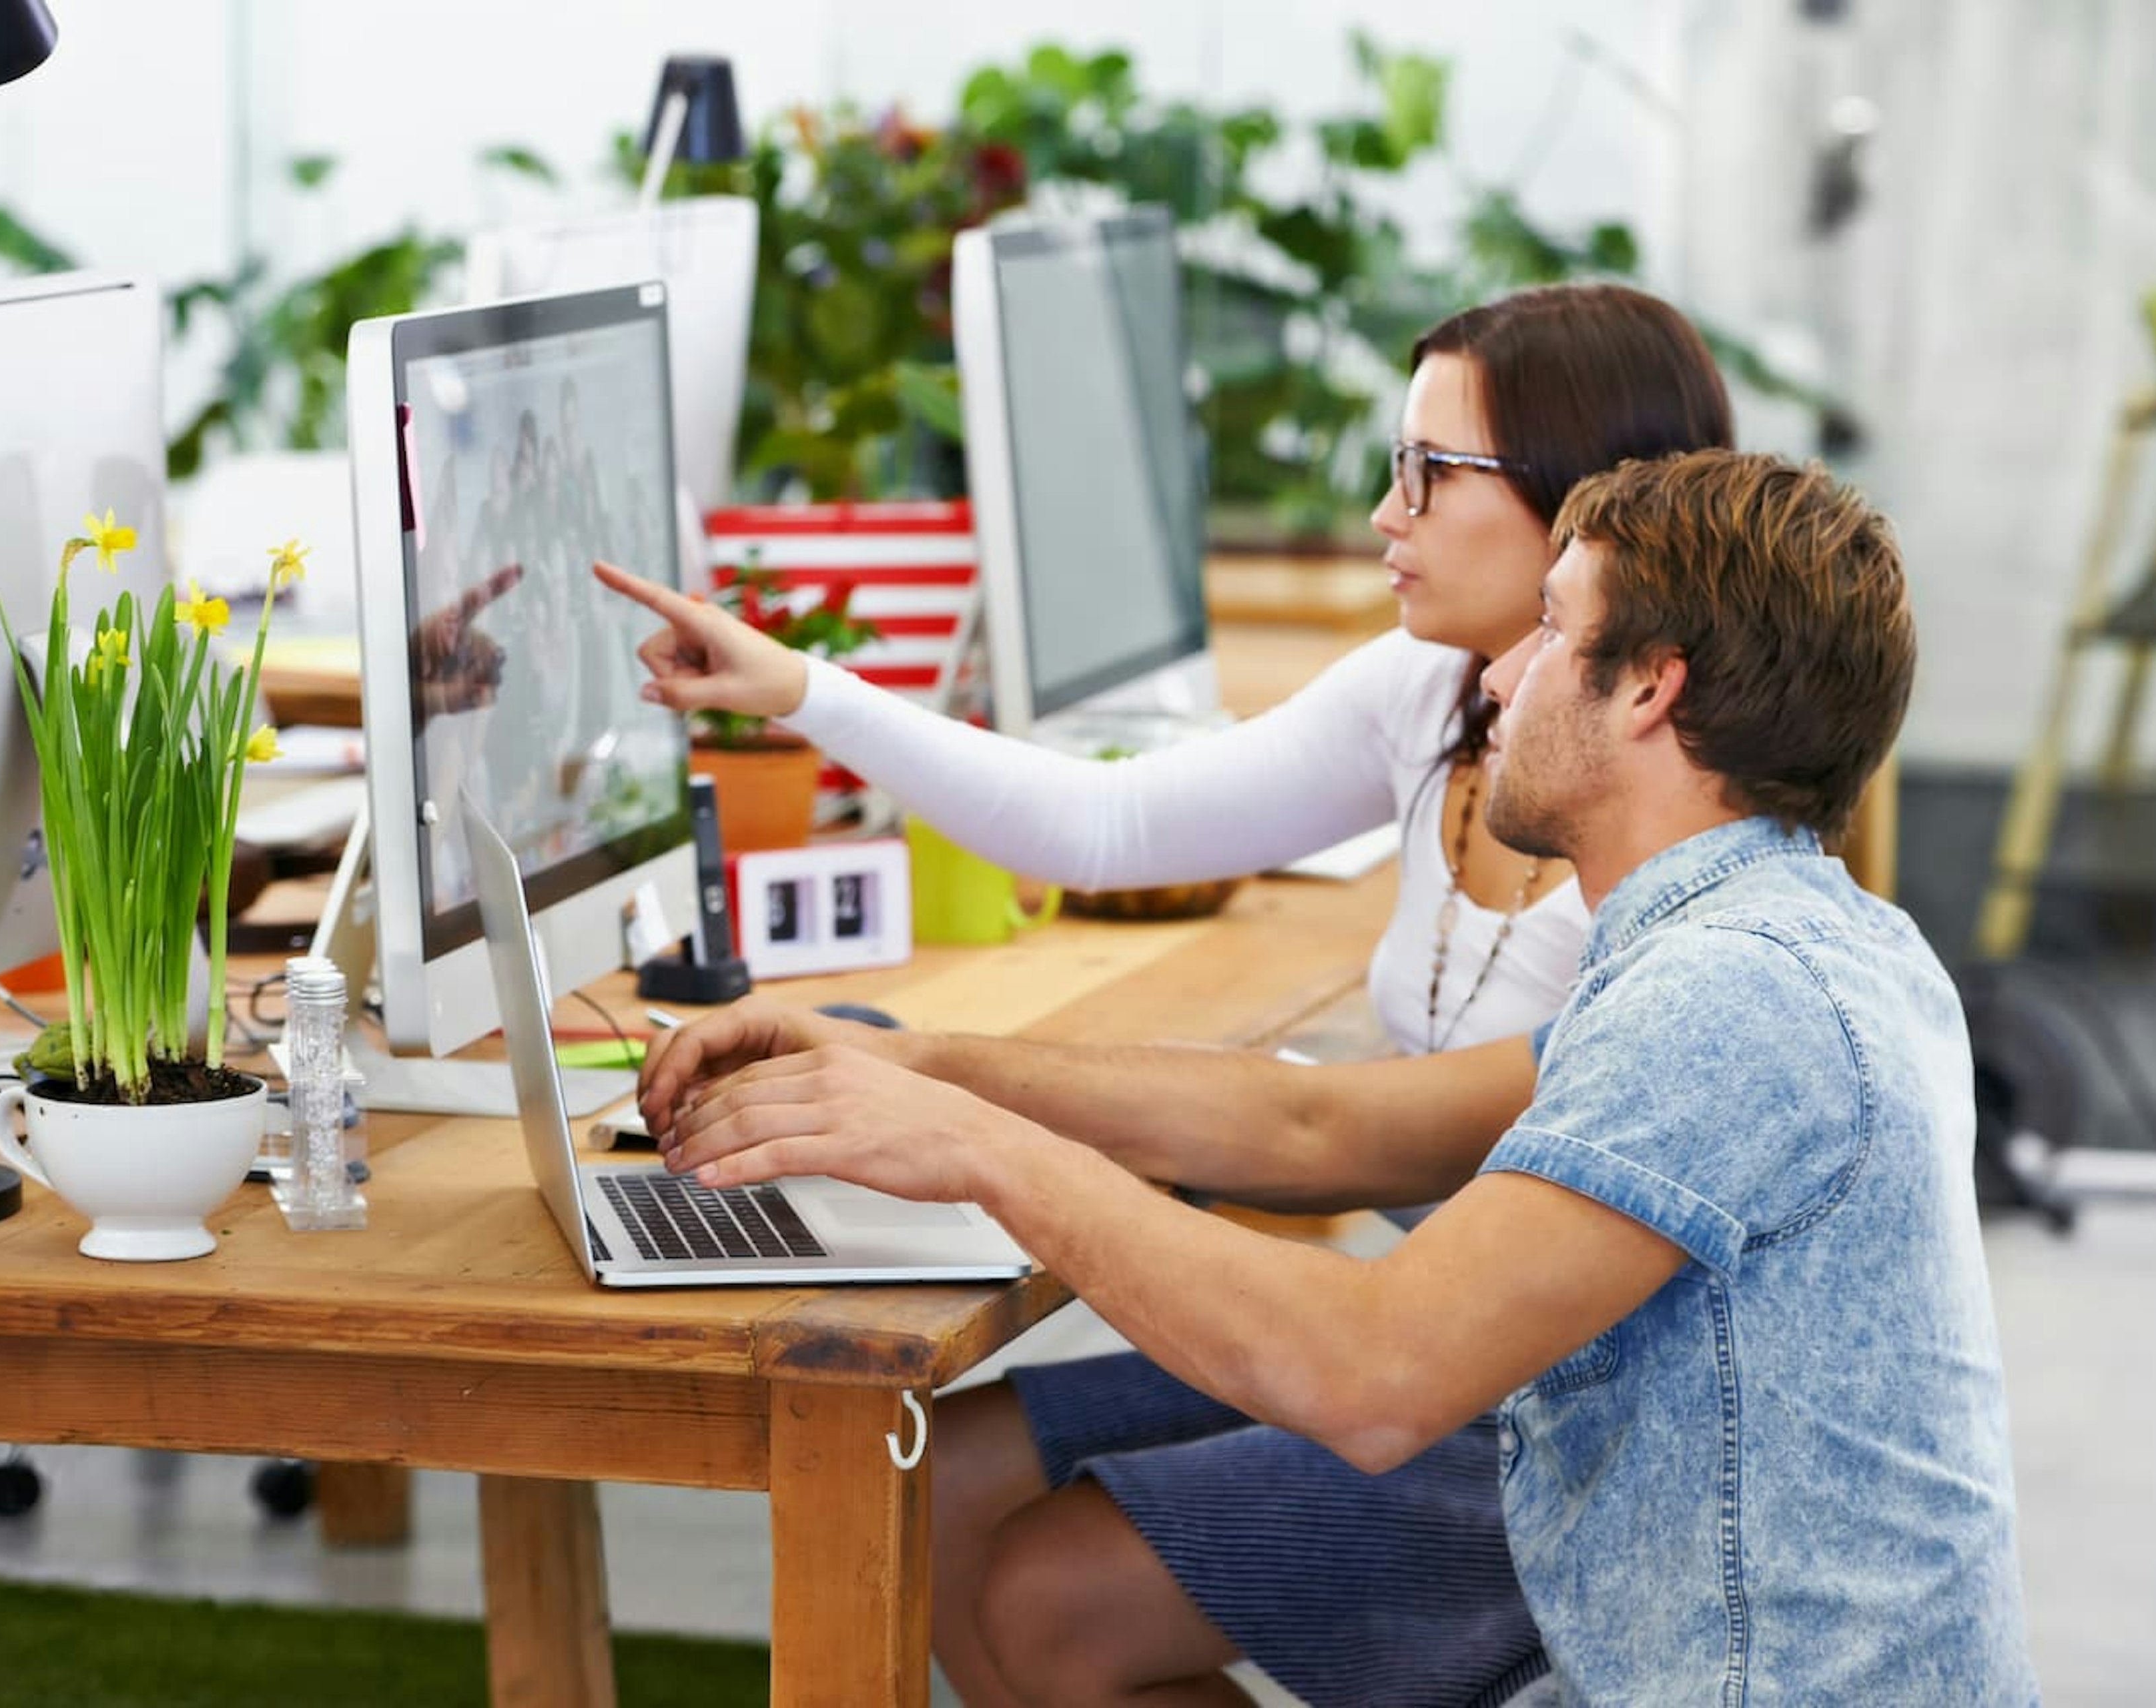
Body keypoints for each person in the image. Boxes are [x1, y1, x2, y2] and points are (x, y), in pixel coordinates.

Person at [637, 449, 2038, 1703]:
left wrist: (970, 1142)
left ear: (1652, 688)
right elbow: (1328, 1121)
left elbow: (1372, 1372)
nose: (1496, 677)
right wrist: (923, 1063)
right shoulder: (1794, 941)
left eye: (1551, 631)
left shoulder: (1729, 997)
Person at [594, 282, 1734, 1705]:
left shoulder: (1679, 858)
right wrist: (803, 692)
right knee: (933, 1482)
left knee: (1051, 1601)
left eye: (1431, 474)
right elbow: (1107, 828)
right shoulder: (1431, 693)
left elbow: (1330, 1137)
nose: (1387, 512)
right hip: (1409, 1327)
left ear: (1586, 511)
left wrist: (948, 1097)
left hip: (1553, 1397)